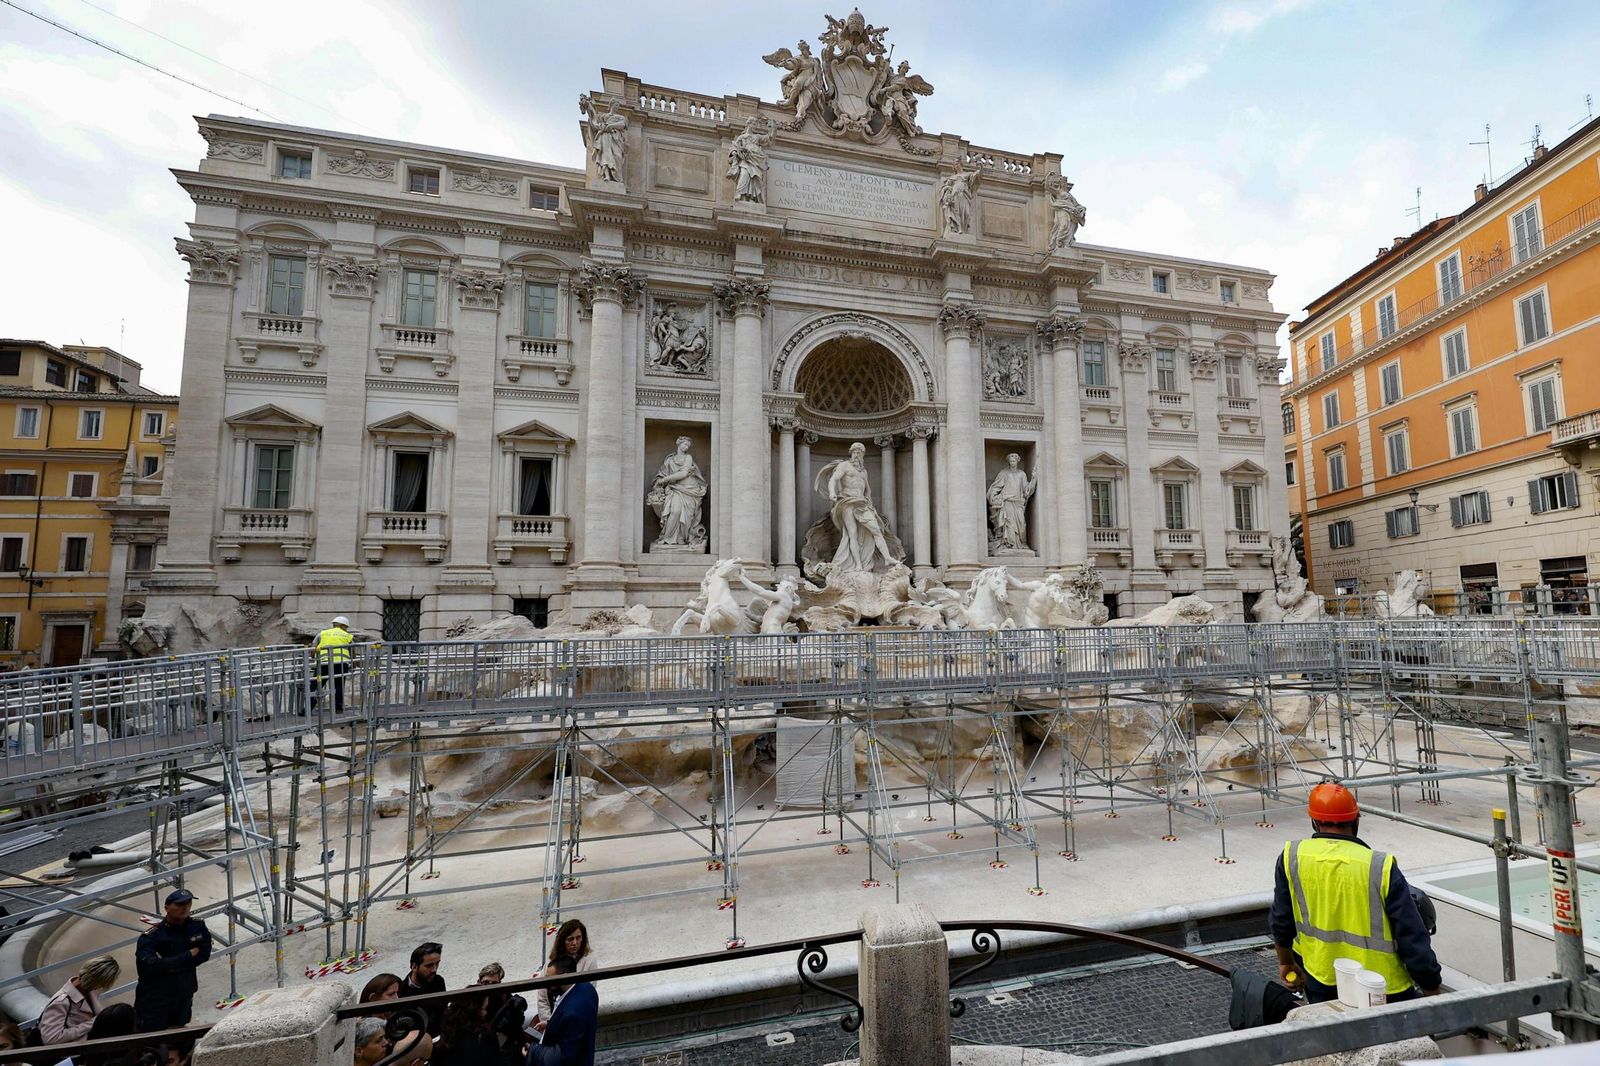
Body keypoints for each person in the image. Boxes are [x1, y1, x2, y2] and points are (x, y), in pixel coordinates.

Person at [1271, 782, 1442, 1003]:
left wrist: (1286, 962)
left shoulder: (1292, 857)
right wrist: (1431, 987)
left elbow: (1281, 920)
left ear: (1314, 821)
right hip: (1382, 987)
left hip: (1321, 977)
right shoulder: (1379, 866)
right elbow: (1411, 935)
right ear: (1355, 819)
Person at [134, 889, 212, 1031]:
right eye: (180, 904)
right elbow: (150, 967)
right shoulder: (151, 937)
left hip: (184, 991)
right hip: (156, 997)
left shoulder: (197, 926)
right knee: (151, 1037)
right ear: (166, 908)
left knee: (179, 1032)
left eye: (188, 903)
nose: (185, 907)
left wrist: (169, 964)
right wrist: (187, 956)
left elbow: (204, 953)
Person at [40, 954, 120, 1044]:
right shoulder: (62, 1001)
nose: (102, 988)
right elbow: (51, 1038)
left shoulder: (87, 991)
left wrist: (93, 997)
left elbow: (102, 1017)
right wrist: (90, 1024)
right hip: (69, 1054)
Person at [532, 957, 597, 1066]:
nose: (548, 984)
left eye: (550, 979)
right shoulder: (586, 988)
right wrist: (550, 1024)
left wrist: (532, 1053)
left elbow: (564, 1057)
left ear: (564, 976)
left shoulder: (572, 1014)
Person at [534, 920, 596, 1030]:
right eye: (570, 939)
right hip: (551, 1020)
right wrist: (549, 1022)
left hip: (575, 1020)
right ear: (562, 940)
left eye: (578, 938)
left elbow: (586, 994)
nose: (575, 943)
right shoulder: (551, 961)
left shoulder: (589, 961)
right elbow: (542, 995)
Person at [397, 941, 447, 1036]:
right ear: (414, 967)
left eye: (437, 964)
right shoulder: (400, 991)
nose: (434, 969)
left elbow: (443, 1012)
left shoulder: (438, 981)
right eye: (429, 965)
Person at [312, 616, 355, 714]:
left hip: (323, 663)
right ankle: (338, 709)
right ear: (343, 625)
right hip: (340, 664)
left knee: (316, 685)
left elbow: (313, 648)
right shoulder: (347, 636)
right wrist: (354, 663)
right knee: (339, 685)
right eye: (346, 627)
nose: (346, 629)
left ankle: (308, 709)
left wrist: (313, 658)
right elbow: (352, 650)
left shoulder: (322, 633)